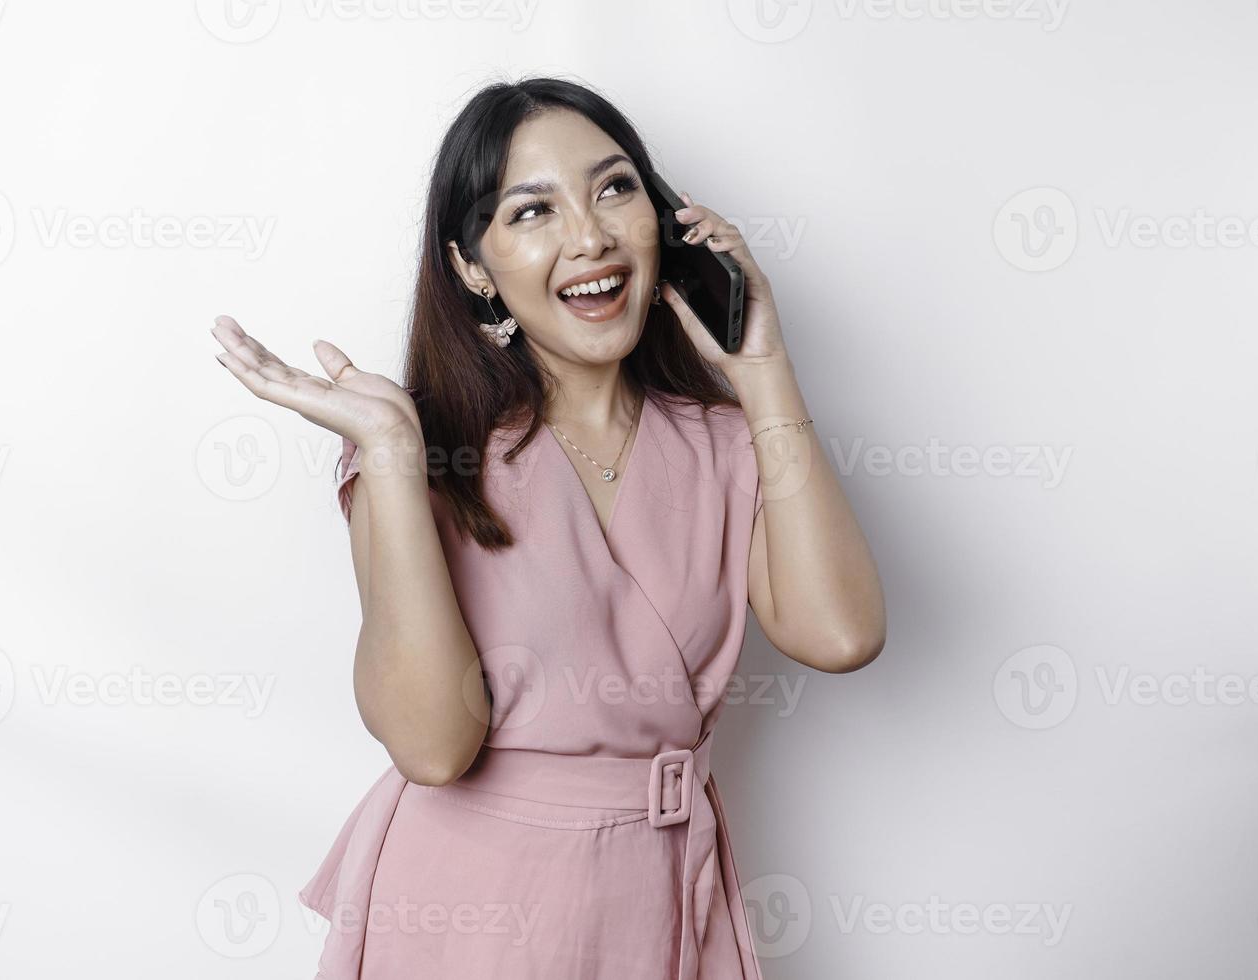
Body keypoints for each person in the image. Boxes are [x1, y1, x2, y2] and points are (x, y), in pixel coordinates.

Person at [211, 75, 885, 980]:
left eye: (615, 188)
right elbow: (433, 746)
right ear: (472, 266)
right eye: (531, 211)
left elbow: (840, 634)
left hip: (656, 901)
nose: (589, 236)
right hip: (465, 910)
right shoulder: (423, 450)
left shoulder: (730, 443)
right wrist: (393, 459)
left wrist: (763, 368)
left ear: (667, 219)